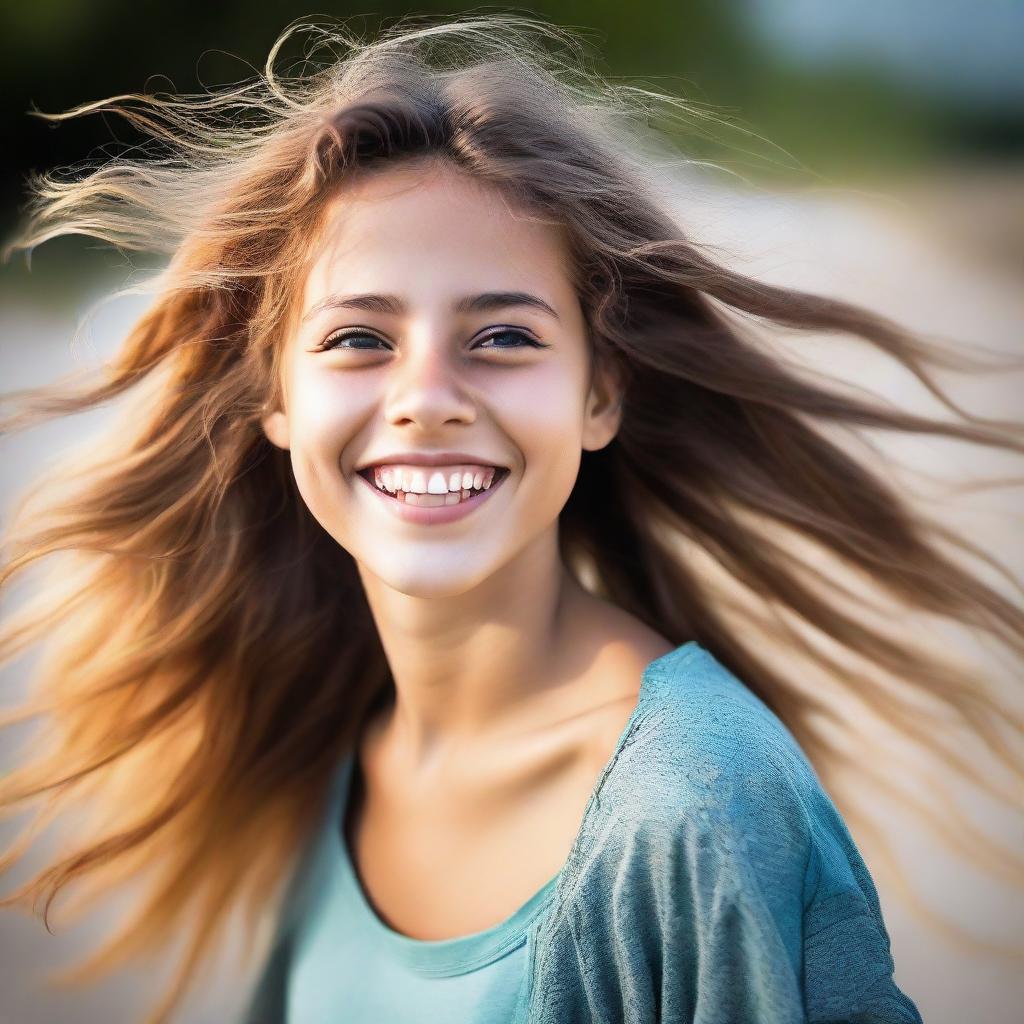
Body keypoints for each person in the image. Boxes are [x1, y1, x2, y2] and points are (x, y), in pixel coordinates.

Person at [1, 13, 1021, 1024]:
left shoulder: (691, 805)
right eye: (359, 337)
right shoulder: (342, 744)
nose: (428, 395)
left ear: (599, 393)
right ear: (273, 401)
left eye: (500, 335)